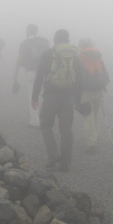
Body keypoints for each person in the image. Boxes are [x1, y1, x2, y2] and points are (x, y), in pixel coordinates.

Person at [31, 29, 82, 173]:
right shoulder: (74, 56)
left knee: (46, 125)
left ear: (55, 40)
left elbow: (39, 75)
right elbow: (79, 79)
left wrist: (34, 96)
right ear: (68, 40)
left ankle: (53, 155)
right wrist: (78, 99)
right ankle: (65, 164)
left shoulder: (48, 54)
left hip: (51, 96)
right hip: (68, 97)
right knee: (66, 130)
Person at [13, 24, 50, 128]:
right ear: (36, 31)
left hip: (31, 73)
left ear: (28, 31)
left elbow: (20, 58)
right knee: (42, 94)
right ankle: (44, 118)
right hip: (44, 73)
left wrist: (15, 73)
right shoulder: (45, 42)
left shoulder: (25, 43)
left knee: (32, 96)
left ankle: (35, 120)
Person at [78, 38, 110, 154]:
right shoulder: (98, 57)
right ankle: (95, 137)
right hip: (99, 90)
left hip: (86, 91)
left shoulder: (80, 57)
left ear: (81, 46)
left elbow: (78, 75)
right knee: (95, 114)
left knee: (88, 115)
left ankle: (91, 143)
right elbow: (105, 74)